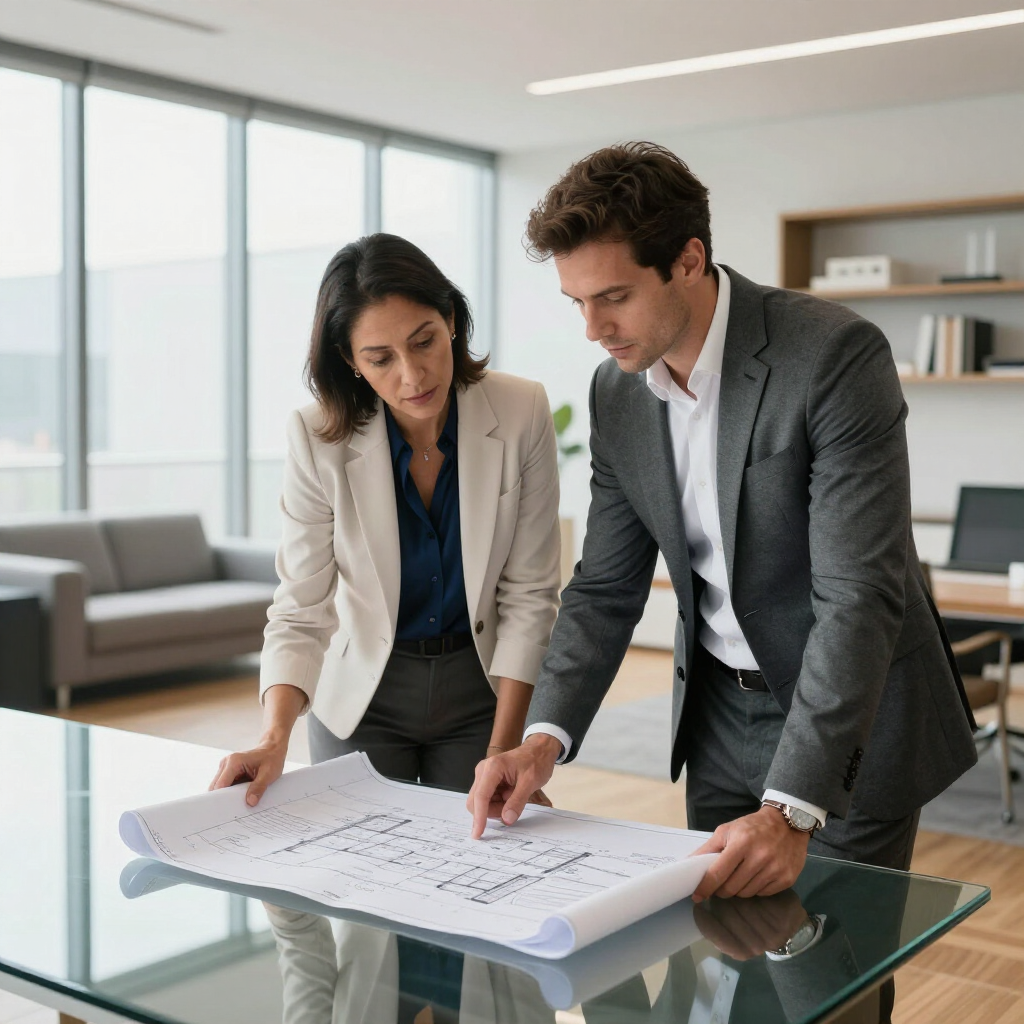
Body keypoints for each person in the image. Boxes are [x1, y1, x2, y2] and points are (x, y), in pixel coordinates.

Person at [468, 143, 975, 917]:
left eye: (613, 296)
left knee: (833, 976)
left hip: (847, 717)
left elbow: (858, 595)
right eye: (577, 302)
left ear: (689, 259)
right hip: (714, 717)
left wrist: (794, 808)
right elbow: (605, 586)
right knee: (726, 959)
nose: (593, 329)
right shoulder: (619, 392)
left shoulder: (832, 355)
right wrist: (541, 740)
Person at [211, 233, 561, 801]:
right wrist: (274, 738)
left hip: (482, 692)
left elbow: (530, 594)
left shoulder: (522, 410)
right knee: (361, 878)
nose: (413, 375)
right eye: (380, 359)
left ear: (450, 318)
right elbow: (301, 605)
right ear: (350, 361)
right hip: (360, 697)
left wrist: (504, 750)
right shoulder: (316, 435)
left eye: (424, 341)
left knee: (481, 869)